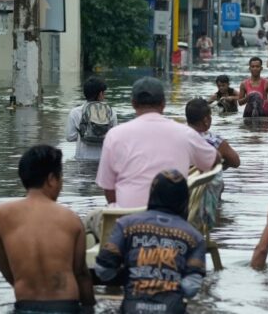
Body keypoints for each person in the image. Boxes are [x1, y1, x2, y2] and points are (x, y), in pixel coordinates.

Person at [0, 145, 96, 313]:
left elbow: (4, 265)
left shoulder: (1, 215)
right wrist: (90, 307)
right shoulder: (70, 219)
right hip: (65, 306)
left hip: (25, 305)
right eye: (61, 177)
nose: (61, 184)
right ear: (51, 179)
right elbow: (81, 273)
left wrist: (23, 284)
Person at [95, 77, 219, 208]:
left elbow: (108, 189)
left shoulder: (114, 135)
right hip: (172, 216)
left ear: (133, 103)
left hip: (126, 218)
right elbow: (214, 160)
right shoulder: (185, 133)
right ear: (163, 104)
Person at [95, 170, 206, 314]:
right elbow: (191, 288)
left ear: (152, 194)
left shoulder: (126, 225)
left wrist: (131, 273)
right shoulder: (195, 238)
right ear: (185, 199)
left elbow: (103, 271)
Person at [186, 98, 240, 227]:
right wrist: (221, 164)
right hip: (207, 195)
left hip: (182, 190)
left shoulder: (177, 137)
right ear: (206, 120)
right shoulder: (214, 141)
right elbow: (236, 162)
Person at [65, 77, 117, 161]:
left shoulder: (75, 112)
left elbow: (69, 137)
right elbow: (114, 138)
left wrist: (85, 134)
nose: (105, 95)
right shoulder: (111, 112)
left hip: (82, 158)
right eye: (104, 93)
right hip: (102, 160)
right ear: (100, 94)